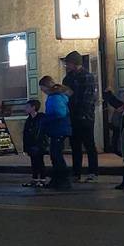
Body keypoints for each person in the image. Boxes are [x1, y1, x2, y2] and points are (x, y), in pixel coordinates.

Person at [62, 51, 99, 183]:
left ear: (74, 63)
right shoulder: (68, 78)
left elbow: (87, 97)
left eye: (68, 63)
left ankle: (92, 171)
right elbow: (65, 94)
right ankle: (76, 172)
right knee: (75, 145)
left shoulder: (86, 76)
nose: (66, 65)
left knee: (89, 144)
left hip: (84, 116)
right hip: (72, 114)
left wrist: (83, 113)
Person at [39, 76, 72, 190]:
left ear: (45, 86)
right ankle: (58, 179)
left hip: (58, 129)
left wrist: (46, 118)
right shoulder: (59, 96)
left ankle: (62, 179)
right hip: (59, 129)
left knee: (56, 156)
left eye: (42, 88)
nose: (41, 91)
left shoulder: (55, 97)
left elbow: (59, 113)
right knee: (55, 155)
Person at [22, 99, 48, 187]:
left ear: (33, 108)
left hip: (39, 144)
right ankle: (35, 178)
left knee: (39, 161)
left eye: (27, 107)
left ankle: (42, 179)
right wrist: (26, 147)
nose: (25, 108)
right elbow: (25, 134)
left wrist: (42, 144)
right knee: (34, 162)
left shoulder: (41, 118)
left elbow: (42, 132)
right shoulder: (29, 119)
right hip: (31, 144)